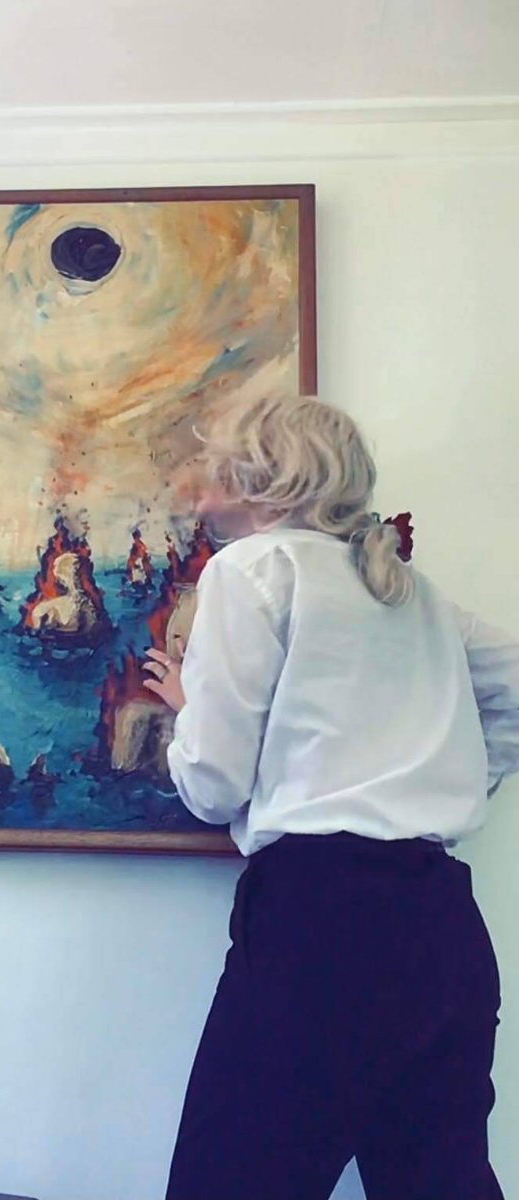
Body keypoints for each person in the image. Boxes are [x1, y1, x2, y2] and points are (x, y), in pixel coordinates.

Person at [142, 394, 519, 1200]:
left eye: (217, 471)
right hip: (445, 928)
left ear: (265, 478)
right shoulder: (411, 591)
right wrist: (448, 776)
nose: (201, 494)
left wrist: (188, 713)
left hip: (320, 926)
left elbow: (212, 785)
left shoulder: (252, 569)